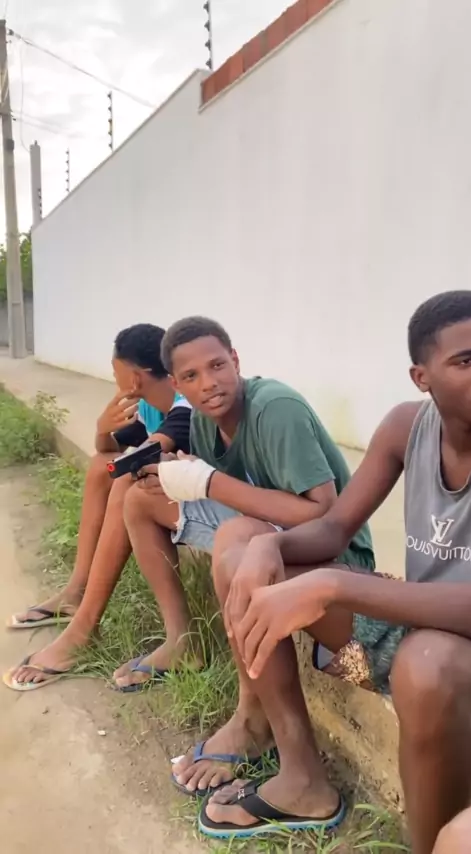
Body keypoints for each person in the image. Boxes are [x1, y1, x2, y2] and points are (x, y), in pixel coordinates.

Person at [189, 290, 471, 848]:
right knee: (240, 542)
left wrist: (333, 583)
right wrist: (272, 546)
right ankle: (300, 774)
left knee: (427, 664)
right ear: (421, 377)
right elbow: (334, 526)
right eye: (466, 360)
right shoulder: (407, 428)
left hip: (451, 657)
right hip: (419, 624)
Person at [112, 312, 373, 767]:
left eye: (217, 366)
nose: (209, 383)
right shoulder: (202, 423)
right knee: (140, 500)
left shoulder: (275, 408)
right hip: (270, 535)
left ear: (235, 360)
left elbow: (324, 516)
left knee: (239, 541)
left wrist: (207, 483)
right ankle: (182, 641)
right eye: (191, 376)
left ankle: (254, 716)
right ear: (176, 384)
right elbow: (238, 498)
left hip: (332, 555)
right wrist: (179, 480)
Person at [4, 323, 191, 691]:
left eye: (114, 369)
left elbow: (131, 463)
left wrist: (116, 458)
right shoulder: (150, 407)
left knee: (123, 480)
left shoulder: (184, 409)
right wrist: (103, 429)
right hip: (178, 490)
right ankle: (75, 592)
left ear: (134, 378)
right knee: (100, 467)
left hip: (212, 495)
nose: (113, 376)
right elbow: (109, 453)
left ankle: (83, 631)